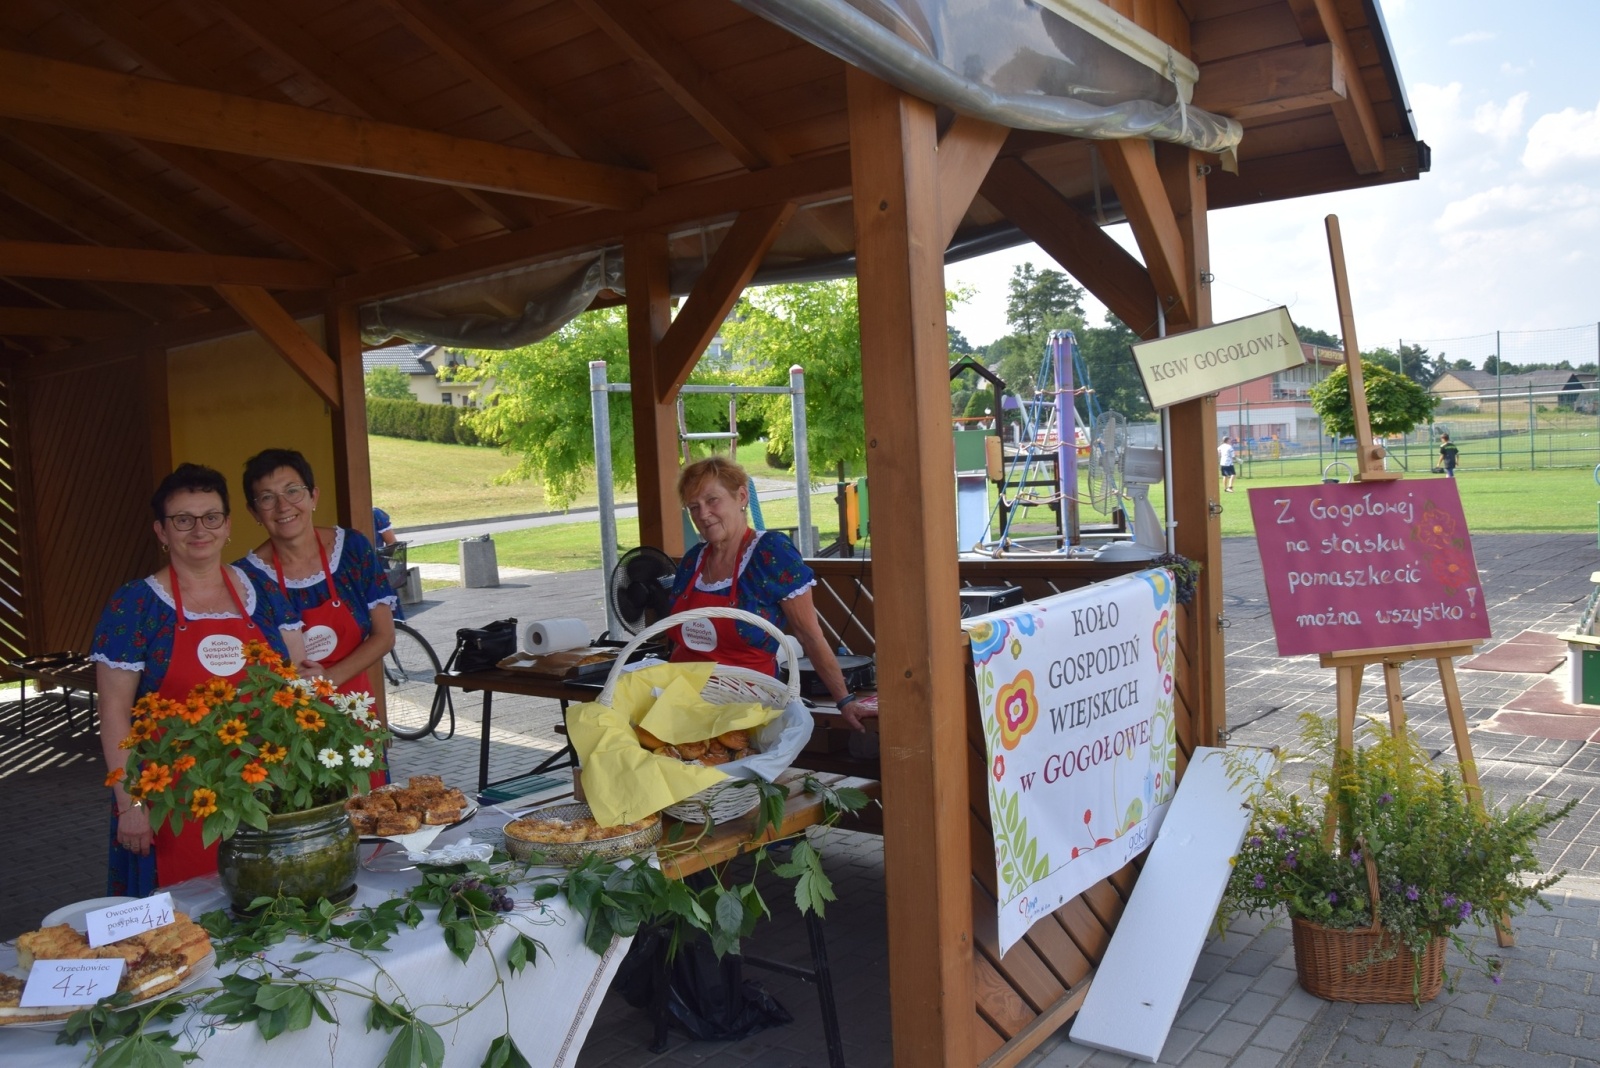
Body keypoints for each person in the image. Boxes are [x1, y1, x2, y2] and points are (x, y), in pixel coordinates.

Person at [92, 463, 305, 893]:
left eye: (211, 517)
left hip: (263, 793)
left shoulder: (262, 592)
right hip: (171, 800)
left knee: (269, 914)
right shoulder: (135, 604)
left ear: (227, 526)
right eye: (182, 520)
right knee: (180, 934)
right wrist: (131, 802)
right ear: (161, 531)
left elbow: (293, 676)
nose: (198, 530)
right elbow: (114, 711)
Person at [668, 456, 876, 731]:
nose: (703, 514)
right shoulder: (693, 560)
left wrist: (845, 700)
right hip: (683, 704)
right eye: (694, 507)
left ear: (741, 496)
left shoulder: (770, 553)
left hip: (747, 710)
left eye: (712, 500)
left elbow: (809, 635)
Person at [237, 448, 396, 713]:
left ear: (313, 496)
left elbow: (384, 635)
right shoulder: (247, 577)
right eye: (267, 498)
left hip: (355, 712)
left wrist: (327, 680)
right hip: (285, 721)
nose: (283, 506)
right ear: (254, 512)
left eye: (293, 491)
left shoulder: (352, 548)